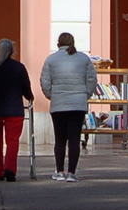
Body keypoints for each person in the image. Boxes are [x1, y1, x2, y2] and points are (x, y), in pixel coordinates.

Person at [41, 31, 98, 180]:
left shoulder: (51, 60)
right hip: (78, 104)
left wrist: (51, 95)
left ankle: (59, 171)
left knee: (60, 139)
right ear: (73, 42)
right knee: (74, 139)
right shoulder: (84, 59)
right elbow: (92, 79)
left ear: (58, 44)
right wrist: (85, 94)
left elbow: (45, 81)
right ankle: (72, 173)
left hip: (58, 104)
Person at [0, 38, 33, 181]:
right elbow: (25, 87)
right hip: (14, 110)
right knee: (13, 141)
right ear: (12, 52)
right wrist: (30, 97)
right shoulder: (18, 67)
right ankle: (10, 169)